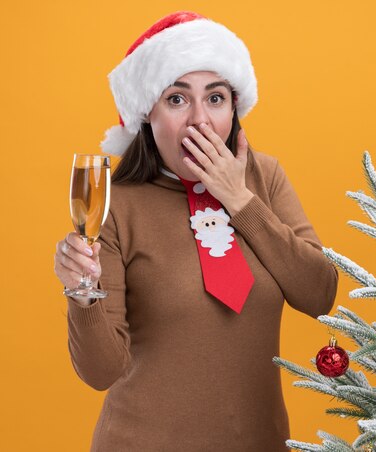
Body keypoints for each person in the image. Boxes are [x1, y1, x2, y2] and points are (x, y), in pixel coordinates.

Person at [53, 11, 338, 451]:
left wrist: (240, 200)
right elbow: (100, 372)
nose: (200, 121)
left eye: (216, 98)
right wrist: (82, 293)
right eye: (177, 99)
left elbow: (319, 294)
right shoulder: (115, 203)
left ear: (234, 107)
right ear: (147, 112)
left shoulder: (266, 178)